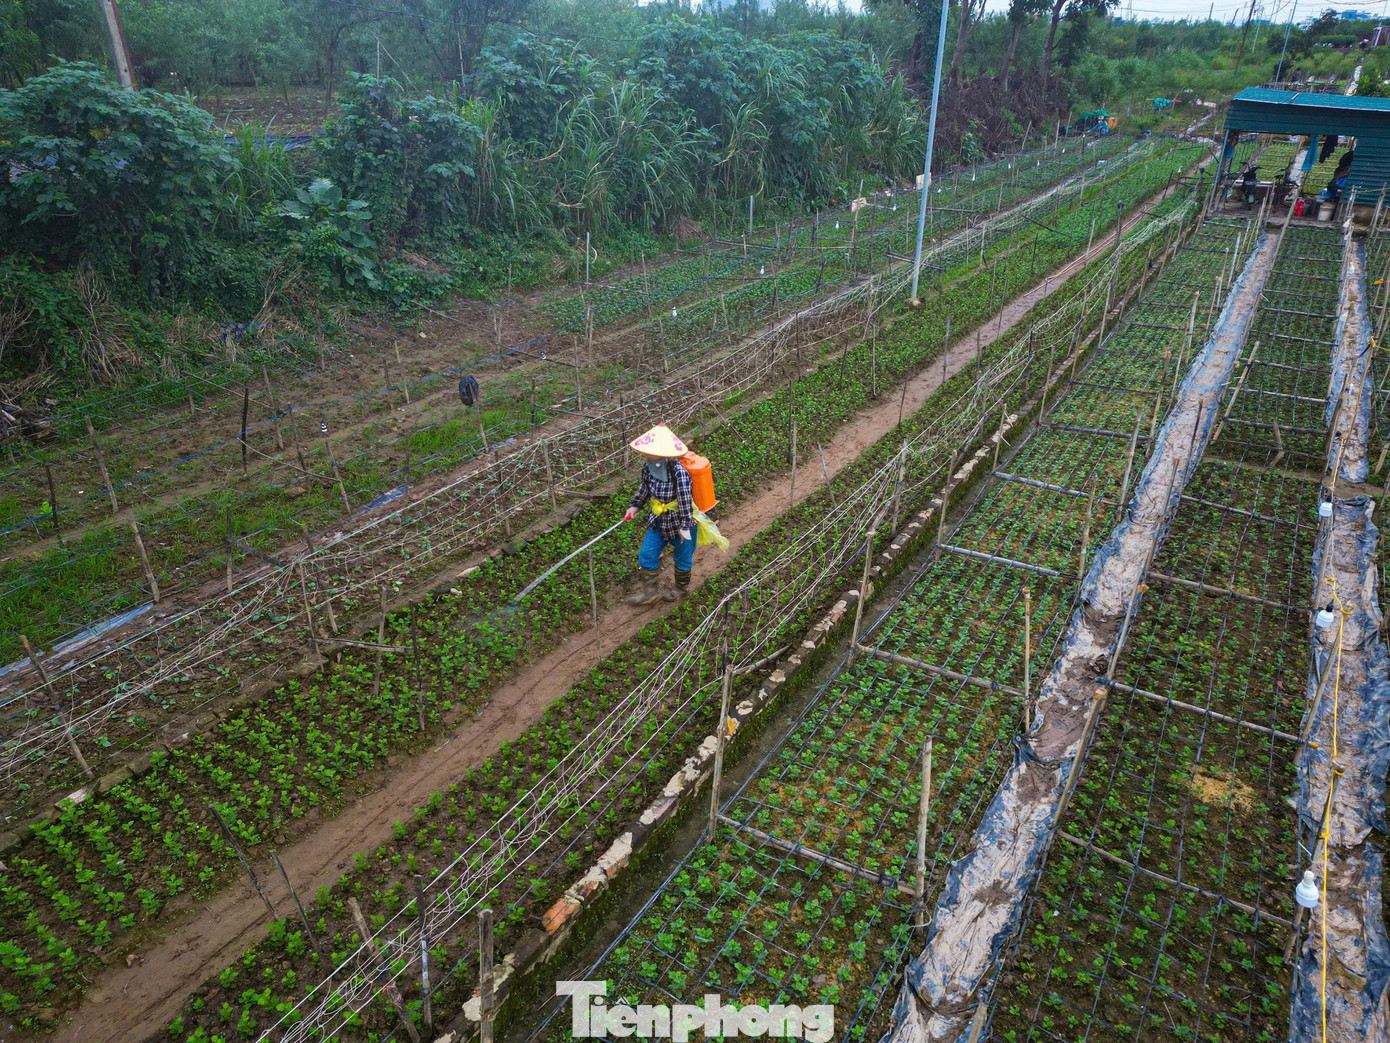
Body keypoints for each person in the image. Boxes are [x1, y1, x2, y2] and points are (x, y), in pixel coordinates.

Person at [623, 424, 696, 605]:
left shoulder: (678, 472)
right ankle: (650, 594)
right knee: (646, 554)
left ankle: (681, 588)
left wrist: (685, 526)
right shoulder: (649, 467)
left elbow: (685, 501)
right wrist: (635, 505)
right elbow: (645, 487)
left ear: (663, 452)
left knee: (682, 557)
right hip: (658, 520)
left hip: (680, 522)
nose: (646, 453)